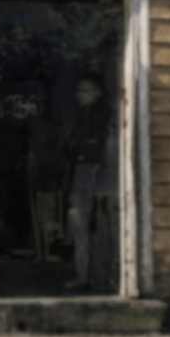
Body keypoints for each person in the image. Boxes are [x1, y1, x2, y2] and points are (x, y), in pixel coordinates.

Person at [64, 72, 116, 292]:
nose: (80, 94)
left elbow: (102, 149)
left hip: (96, 174)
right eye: (79, 90)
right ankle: (84, 276)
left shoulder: (103, 117)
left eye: (85, 90)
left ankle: (98, 277)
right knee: (80, 224)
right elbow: (72, 146)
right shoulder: (82, 116)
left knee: (95, 226)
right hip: (82, 172)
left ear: (98, 92)